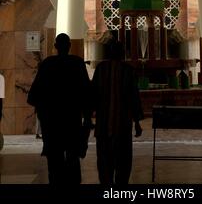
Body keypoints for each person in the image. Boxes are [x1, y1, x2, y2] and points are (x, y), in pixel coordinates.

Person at [27, 33, 91, 186]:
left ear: (55, 47)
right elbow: (86, 93)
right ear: (69, 46)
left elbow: (34, 96)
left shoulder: (47, 65)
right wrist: (87, 117)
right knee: (73, 161)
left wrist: (43, 113)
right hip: (71, 121)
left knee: (55, 165)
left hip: (52, 123)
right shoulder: (77, 64)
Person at [91, 39, 143, 185]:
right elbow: (134, 97)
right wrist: (137, 122)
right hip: (122, 124)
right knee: (123, 161)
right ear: (122, 53)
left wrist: (88, 117)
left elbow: (93, 94)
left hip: (103, 124)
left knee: (104, 161)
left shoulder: (101, 69)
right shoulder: (128, 70)